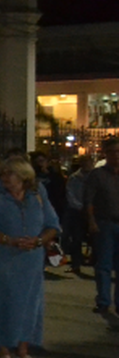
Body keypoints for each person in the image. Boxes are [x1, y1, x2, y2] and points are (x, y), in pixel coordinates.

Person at [0, 157, 61, 358]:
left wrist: (39, 241)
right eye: (3, 174)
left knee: (30, 303)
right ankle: (3, 349)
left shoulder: (38, 196)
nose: (5, 178)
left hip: (31, 260)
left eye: (11, 174)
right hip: (3, 259)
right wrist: (11, 241)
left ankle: (23, 349)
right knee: (3, 302)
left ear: (24, 177)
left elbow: (53, 224)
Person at [87, 137, 119, 321]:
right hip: (105, 223)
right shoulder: (97, 175)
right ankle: (104, 300)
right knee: (104, 265)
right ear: (106, 154)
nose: (116, 155)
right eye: (112, 151)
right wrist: (91, 221)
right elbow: (89, 200)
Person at [64, 153, 94, 276]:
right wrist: (80, 207)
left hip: (94, 211)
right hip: (78, 212)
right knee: (77, 238)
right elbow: (70, 194)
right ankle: (76, 264)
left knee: (96, 239)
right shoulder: (75, 178)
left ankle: (94, 261)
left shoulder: (96, 177)